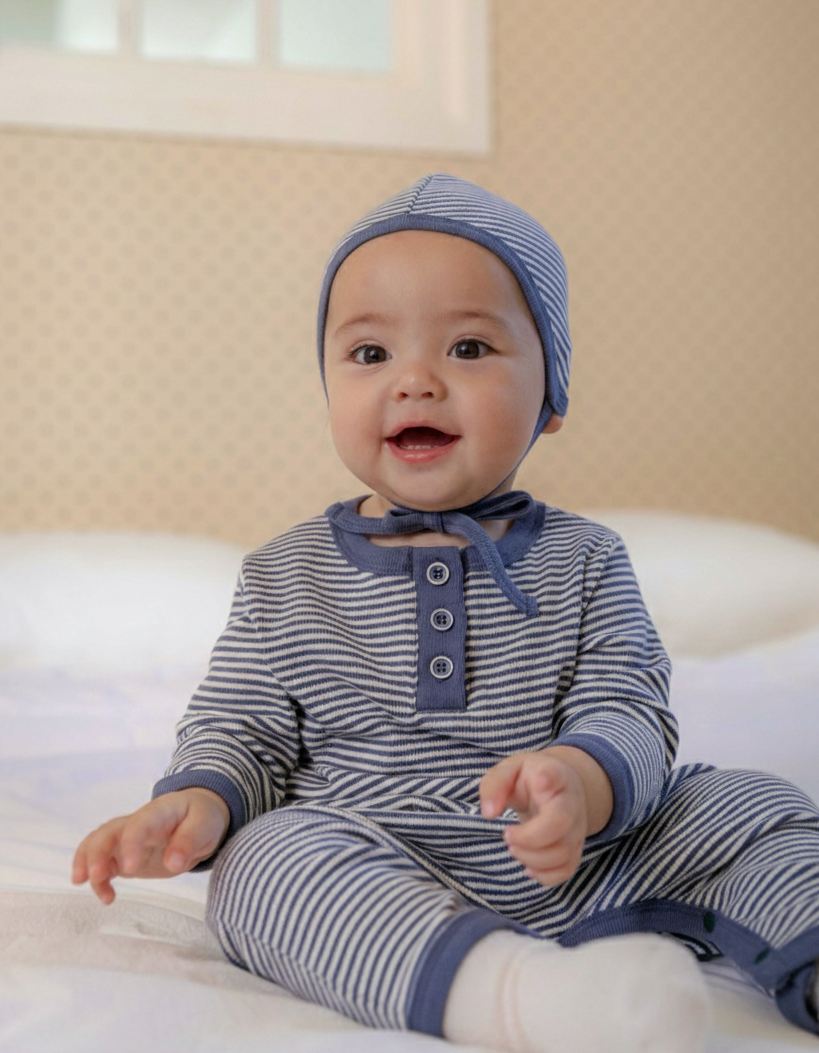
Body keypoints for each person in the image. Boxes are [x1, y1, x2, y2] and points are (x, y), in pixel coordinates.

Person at [73, 174, 819, 1053]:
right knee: (259, 865)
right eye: (368, 355)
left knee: (752, 805)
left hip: (577, 847)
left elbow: (629, 708)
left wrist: (579, 784)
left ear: (550, 394)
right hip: (376, 850)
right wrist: (198, 798)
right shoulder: (283, 576)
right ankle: (518, 996)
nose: (416, 381)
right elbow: (243, 727)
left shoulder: (586, 559)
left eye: (468, 348)